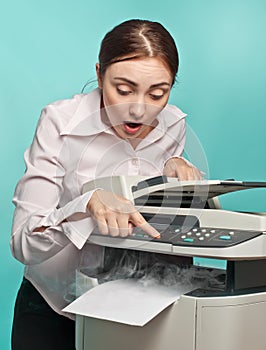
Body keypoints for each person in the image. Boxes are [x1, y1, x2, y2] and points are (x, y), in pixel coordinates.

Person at [11, 19, 202, 350]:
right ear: (100, 75)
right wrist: (86, 205)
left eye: (158, 93)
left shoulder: (173, 125)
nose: (139, 109)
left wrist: (174, 172)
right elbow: (23, 242)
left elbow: (155, 216)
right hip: (52, 307)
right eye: (124, 90)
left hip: (127, 309)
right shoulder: (60, 122)